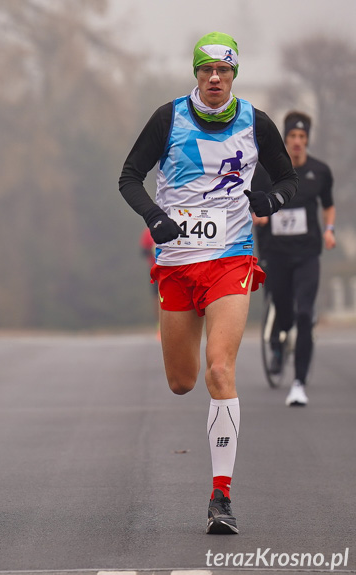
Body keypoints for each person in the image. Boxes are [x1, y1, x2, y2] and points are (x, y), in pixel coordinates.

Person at [118, 32, 298, 534]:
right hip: (177, 261)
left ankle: (221, 496)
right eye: (205, 70)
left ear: (234, 74)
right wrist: (154, 217)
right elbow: (129, 176)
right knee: (182, 382)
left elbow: (287, 180)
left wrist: (271, 202)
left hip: (230, 258)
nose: (214, 78)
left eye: (223, 70)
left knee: (220, 370)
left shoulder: (255, 122)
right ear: (195, 73)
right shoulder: (167, 118)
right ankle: (218, 483)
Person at [251, 111, 335, 407]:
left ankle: (298, 383)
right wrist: (256, 216)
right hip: (276, 254)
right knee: (284, 311)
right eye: (292, 138)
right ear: (285, 141)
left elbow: (328, 205)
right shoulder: (266, 170)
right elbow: (253, 200)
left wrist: (329, 230)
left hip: (307, 254)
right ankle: (277, 338)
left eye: (302, 138)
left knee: (304, 314)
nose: (297, 142)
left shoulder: (320, 171)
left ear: (307, 140)